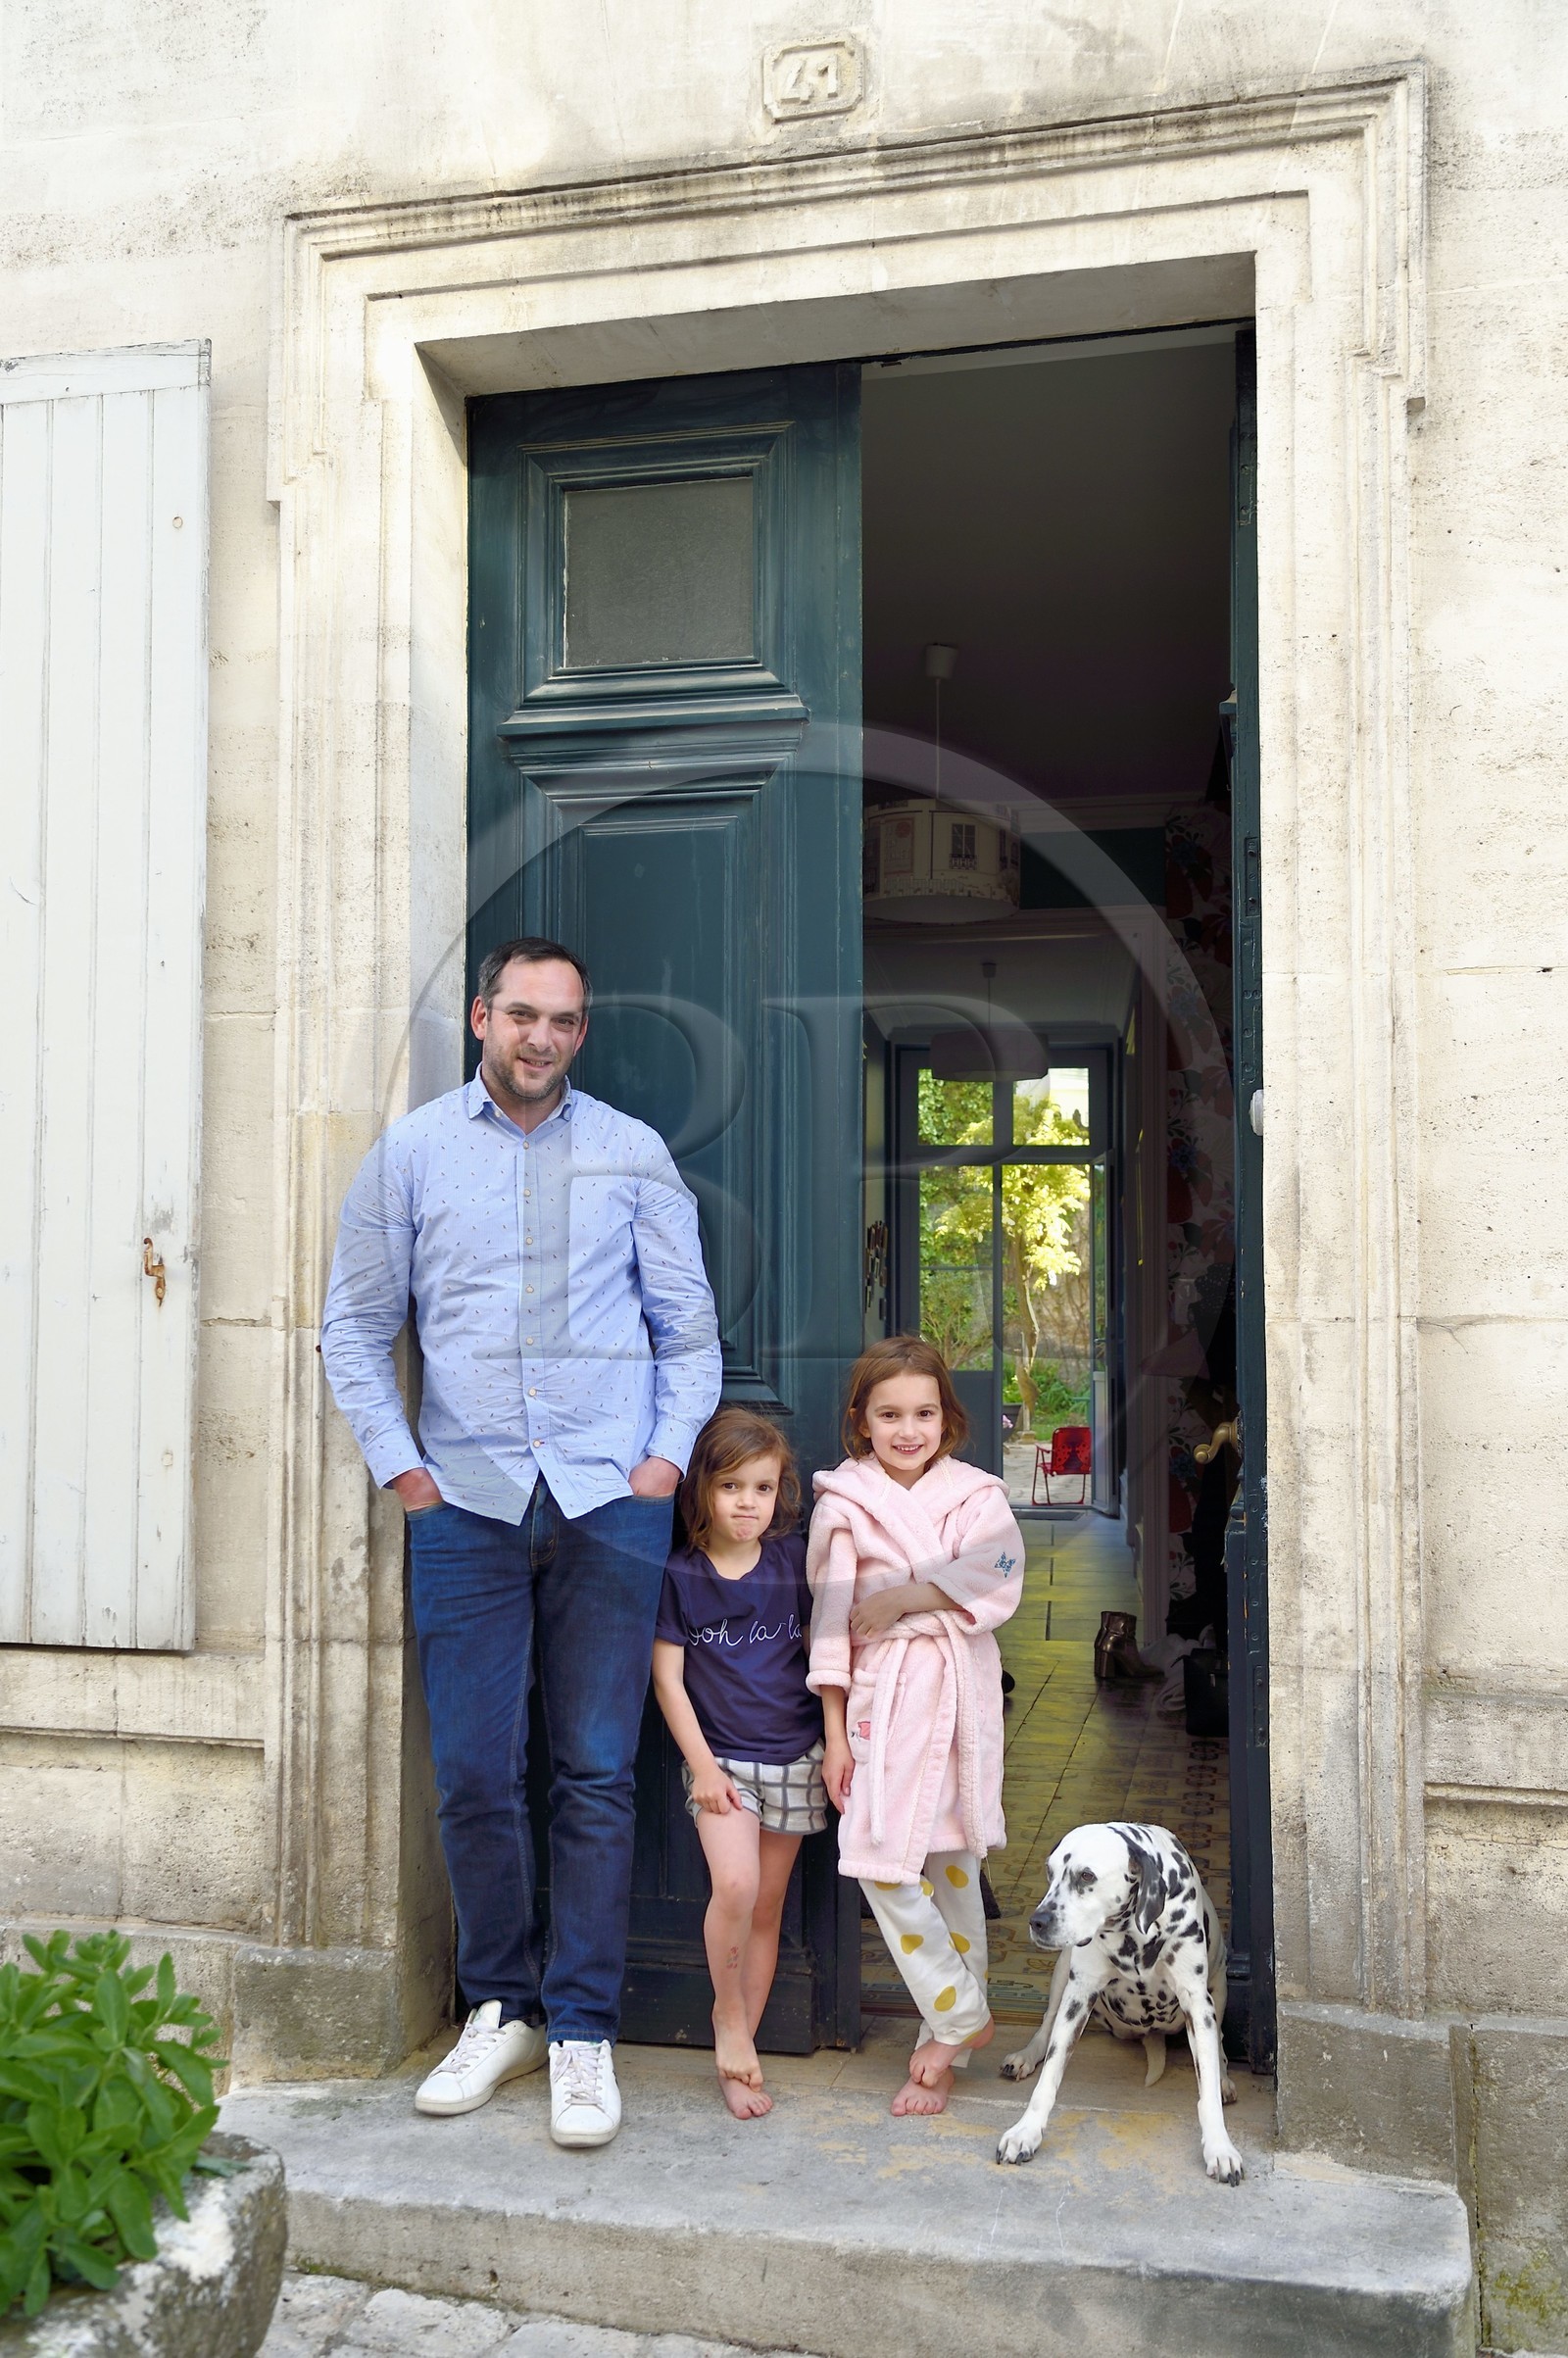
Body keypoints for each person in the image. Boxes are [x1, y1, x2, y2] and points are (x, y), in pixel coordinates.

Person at [320, 937, 721, 2148]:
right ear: (484, 1018)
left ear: (581, 1032)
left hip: (608, 1500)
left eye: (565, 1020)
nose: (541, 1037)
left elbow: (686, 1333)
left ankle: (585, 2027)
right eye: (522, 1016)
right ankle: (503, 2006)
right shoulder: (411, 1157)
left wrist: (658, 1465)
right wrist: (409, 1477)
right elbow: (351, 1330)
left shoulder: (633, 1155)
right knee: (477, 1775)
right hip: (466, 1509)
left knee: (596, 1774)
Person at [807, 1335, 1025, 2118]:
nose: (909, 1429)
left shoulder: (978, 1495)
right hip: (883, 1703)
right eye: (890, 1413)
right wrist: (834, 1733)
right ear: (861, 1421)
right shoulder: (843, 1505)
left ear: (947, 1420)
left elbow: (999, 1578)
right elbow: (830, 1624)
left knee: (954, 1867)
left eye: (924, 1413)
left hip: (958, 1698)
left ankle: (949, 2039)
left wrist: (904, 1598)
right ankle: (962, 2012)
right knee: (877, 1859)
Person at [651, 1407, 825, 2121]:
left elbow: (827, 1649)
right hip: (722, 1763)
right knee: (737, 1884)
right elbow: (667, 1680)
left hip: (794, 1759)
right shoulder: (682, 1575)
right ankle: (726, 2018)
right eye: (731, 1487)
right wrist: (703, 1768)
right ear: (702, 1492)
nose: (747, 1503)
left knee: (768, 1910)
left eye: (761, 1487)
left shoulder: (793, 1560)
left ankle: (740, 2058)